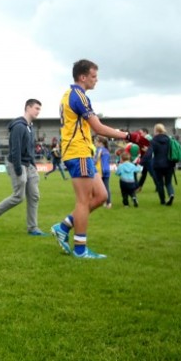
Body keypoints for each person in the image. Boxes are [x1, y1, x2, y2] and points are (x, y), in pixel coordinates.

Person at [50, 59, 141, 259]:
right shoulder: (78, 96)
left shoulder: (69, 94)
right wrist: (128, 136)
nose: (96, 80)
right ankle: (80, 250)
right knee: (83, 202)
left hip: (83, 152)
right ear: (83, 77)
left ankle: (63, 227)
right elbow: (98, 128)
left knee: (101, 196)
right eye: (93, 76)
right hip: (78, 152)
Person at [0, 99, 48, 237]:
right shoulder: (19, 126)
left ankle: (33, 228)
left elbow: (29, 148)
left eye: (39, 109)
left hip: (29, 165)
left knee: (34, 196)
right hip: (18, 164)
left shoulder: (30, 126)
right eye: (36, 108)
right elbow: (15, 150)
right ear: (28, 108)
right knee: (19, 196)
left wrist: (33, 166)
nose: (38, 111)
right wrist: (18, 169)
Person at [151, 123, 176, 206]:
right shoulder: (169, 139)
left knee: (160, 183)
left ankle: (162, 201)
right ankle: (171, 194)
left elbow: (151, 152)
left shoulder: (154, 140)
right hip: (169, 164)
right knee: (168, 182)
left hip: (158, 164)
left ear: (156, 130)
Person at [93, 136, 112, 208]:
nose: (94, 143)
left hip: (101, 171)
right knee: (106, 187)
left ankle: (105, 202)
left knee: (100, 187)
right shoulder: (106, 150)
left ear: (100, 143)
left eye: (95, 142)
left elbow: (95, 161)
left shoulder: (99, 150)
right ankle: (108, 203)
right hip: (107, 170)